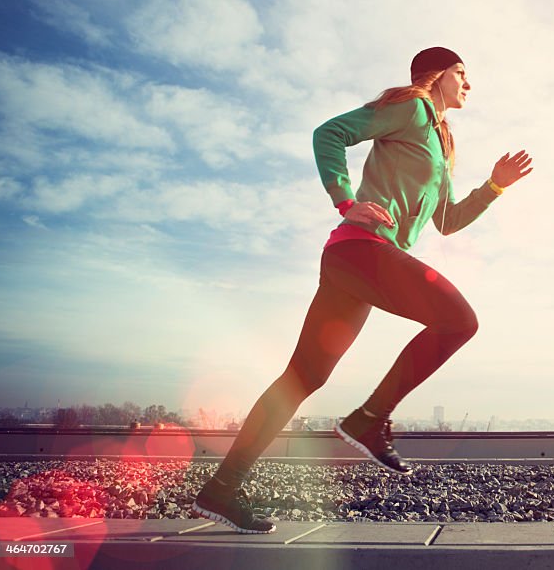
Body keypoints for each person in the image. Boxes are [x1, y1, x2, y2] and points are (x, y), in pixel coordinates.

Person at [191, 47, 533, 533]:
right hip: (362, 250)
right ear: (436, 76)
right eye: (461, 73)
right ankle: (369, 418)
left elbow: (448, 221)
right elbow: (329, 134)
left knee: (302, 378)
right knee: (459, 320)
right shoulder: (411, 108)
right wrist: (345, 200)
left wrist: (494, 187)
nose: (468, 84)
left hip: (356, 266)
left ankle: (220, 490)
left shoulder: (441, 142)